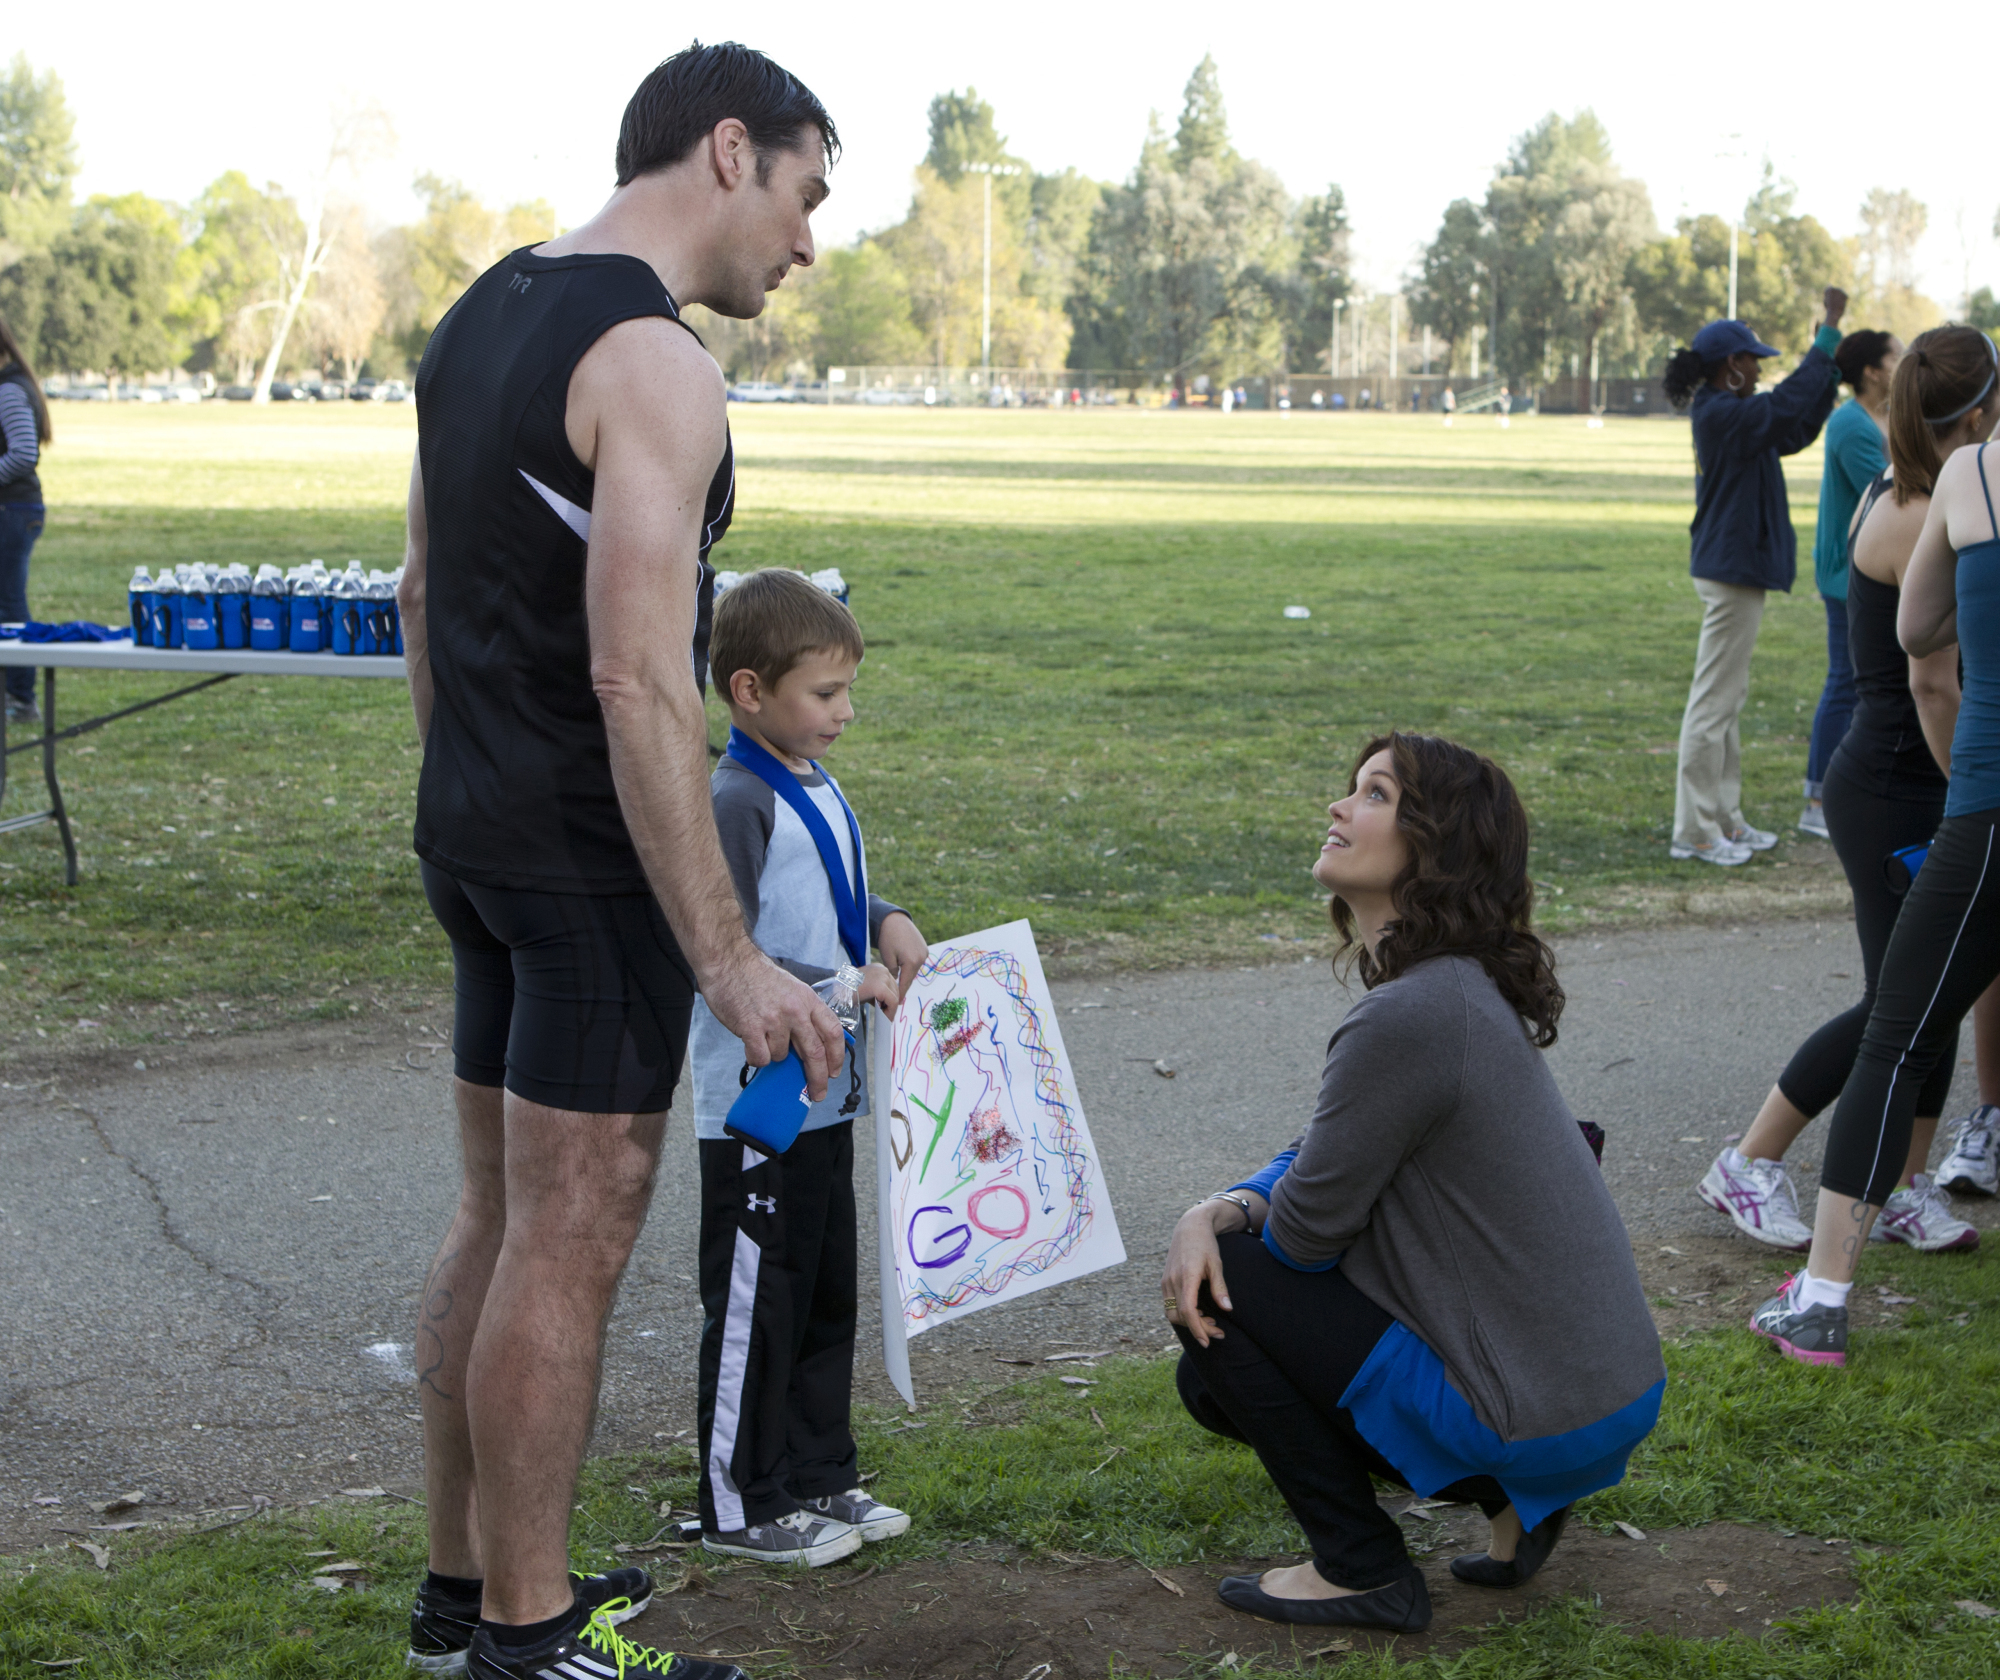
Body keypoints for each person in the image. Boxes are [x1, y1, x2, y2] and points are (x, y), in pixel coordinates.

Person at [396, 44, 847, 1680]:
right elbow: (641, 673)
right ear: (730, 151)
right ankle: (530, 1640)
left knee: (496, 1220)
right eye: (805, 193)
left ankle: (465, 1606)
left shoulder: (485, 307)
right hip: (588, 871)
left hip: (477, 832)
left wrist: (471, 790)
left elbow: (417, 597)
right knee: (571, 1239)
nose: (804, 244)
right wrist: (727, 956)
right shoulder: (655, 363)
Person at [1162, 733, 1663, 1633]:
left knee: (1224, 1289)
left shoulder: (1411, 1014)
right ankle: (1516, 1506)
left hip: (1537, 1406)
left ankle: (1362, 1570)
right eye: (1350, 789)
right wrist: (1223, 1202)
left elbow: (1304, 1241)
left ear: (1435, 844)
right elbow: (1327, 1146)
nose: (1339, 808)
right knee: (1216, 1369)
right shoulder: (1457, 989)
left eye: (1375, 795)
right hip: (1599, 1394)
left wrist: (1215, 1223)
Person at [1699, 326, 1998, 1256]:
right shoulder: (1923, 510)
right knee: (1898, 1007)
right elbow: (1933, 681)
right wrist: (1970, 795)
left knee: (1933, 997)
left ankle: (1903, 1185)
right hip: (1904, 781)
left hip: (1903, 777)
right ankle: (1748, 1161)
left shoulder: (1917, 482)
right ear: (1983, 411)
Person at [690, 569, 928, 1567]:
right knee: (759, 1300)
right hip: (761, 1106)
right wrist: (845, 980)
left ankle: (820, 1471)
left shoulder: (814, 782)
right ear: (750, 691)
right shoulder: (734, 798)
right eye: (823, 695)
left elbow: (828, 899)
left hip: (829, 1097)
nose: (843, 713)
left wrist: (884, 923)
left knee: (826, 1290)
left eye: (845, 692)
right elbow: (722, 945)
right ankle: (742, 1502)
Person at [1663, 291, 1848, 866]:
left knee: (1727, 700)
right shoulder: (1721, 414)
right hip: (1731, 569)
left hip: (1735, 566)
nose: (1762, 369)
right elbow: (1781, 407)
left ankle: (1725, 818)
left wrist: (1826, 375)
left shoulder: (1734, 414)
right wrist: (1825, 342)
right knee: (1713, 705)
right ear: (1730, 366)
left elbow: (1792, 426)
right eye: (1755, 360)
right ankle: (1694, 829)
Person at [1801, 331, 1901, 839]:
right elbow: (1890, 486)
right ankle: (1817, 797)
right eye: (1896, 355)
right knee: (1845, 681)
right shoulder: (1848, 423)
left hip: (1866, 567)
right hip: (1847, 573)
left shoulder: (1882, 417)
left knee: (1860, 684)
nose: (1905, 361)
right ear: (1873, 371)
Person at [0, 314, 52, 725]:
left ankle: (22, 698)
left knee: (9, 602)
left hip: (13, 511)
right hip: (13, 509)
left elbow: (23, 454)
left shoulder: (8, 390)